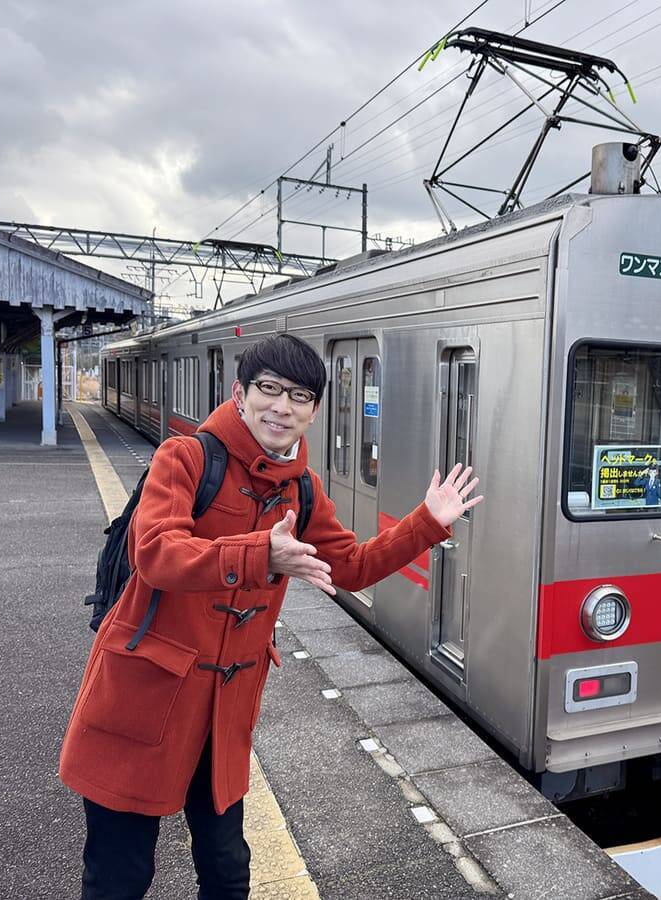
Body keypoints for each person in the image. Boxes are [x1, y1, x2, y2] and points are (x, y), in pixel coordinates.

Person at [60, 334, 483, 899]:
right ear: (241, 394)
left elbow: (350, 567)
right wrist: (261, 553)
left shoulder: (302, 490)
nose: (282, 407)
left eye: (300, 396)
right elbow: (156, 552)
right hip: (143, 701)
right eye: (269, 389)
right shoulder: (184, 458)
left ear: (314, 412)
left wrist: (426, 521)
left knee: (228, 872)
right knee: (120, 877)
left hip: (221, 716)